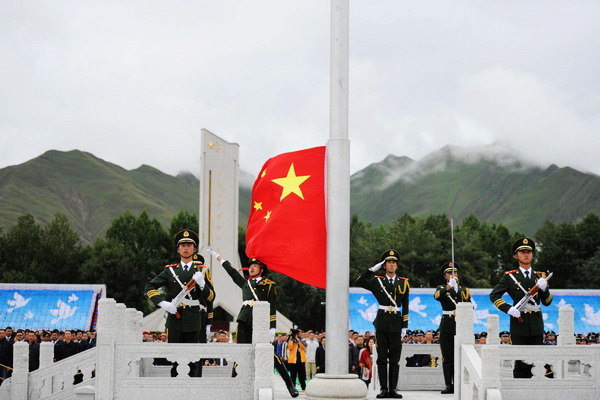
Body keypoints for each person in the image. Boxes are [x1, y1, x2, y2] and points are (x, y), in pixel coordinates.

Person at [208, 249, 299, 398]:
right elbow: (232, 273)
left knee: (269, 354)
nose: (251, 268)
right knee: (241, 352)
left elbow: (272, 306)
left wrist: (272, 327)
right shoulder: (245, 283)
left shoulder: (269, 285)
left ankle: (289, 385)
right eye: (250, 266)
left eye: (255, 266)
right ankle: (233, 385)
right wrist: (220, 259)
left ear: (261, 269)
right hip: (244, 319)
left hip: (261, 321)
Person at [144, 229, 215, 377]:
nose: (186, 248)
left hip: (194, 319)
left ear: (194, 249)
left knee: (192, 358)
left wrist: (202, 284)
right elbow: (150, 287)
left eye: (189, 245)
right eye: (183, 245)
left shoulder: (201, 271)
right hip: (174, 318)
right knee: (174, 357)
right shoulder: (170, 271)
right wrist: (163, 303)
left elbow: (211, 297)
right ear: (178, 249)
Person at [490, 237, 552, 379]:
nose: (526, 254)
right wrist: (508, 309)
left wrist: (544, 289)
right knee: (520, 362)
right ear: (516, 255)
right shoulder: (510, 277)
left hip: (536, 325)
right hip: (519, 324)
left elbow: (547, 302)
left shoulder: (540, 277)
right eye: (522, 252)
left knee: (536, 362)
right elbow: (494, 295)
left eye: (529, 251)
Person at [356, 249, 409, 399]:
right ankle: (383, 389)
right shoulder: (377, 281)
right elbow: (359, 281)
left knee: (394, 358)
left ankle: (393, 389)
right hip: (381, 322)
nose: (392, 265)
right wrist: (372, 269)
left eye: (394, 262)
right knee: (381, 358)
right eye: (388, 262)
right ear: (384, 265)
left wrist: (404, 326)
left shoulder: (404, 283)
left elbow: (405, 305)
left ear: (397, 266)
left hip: (396, 323)